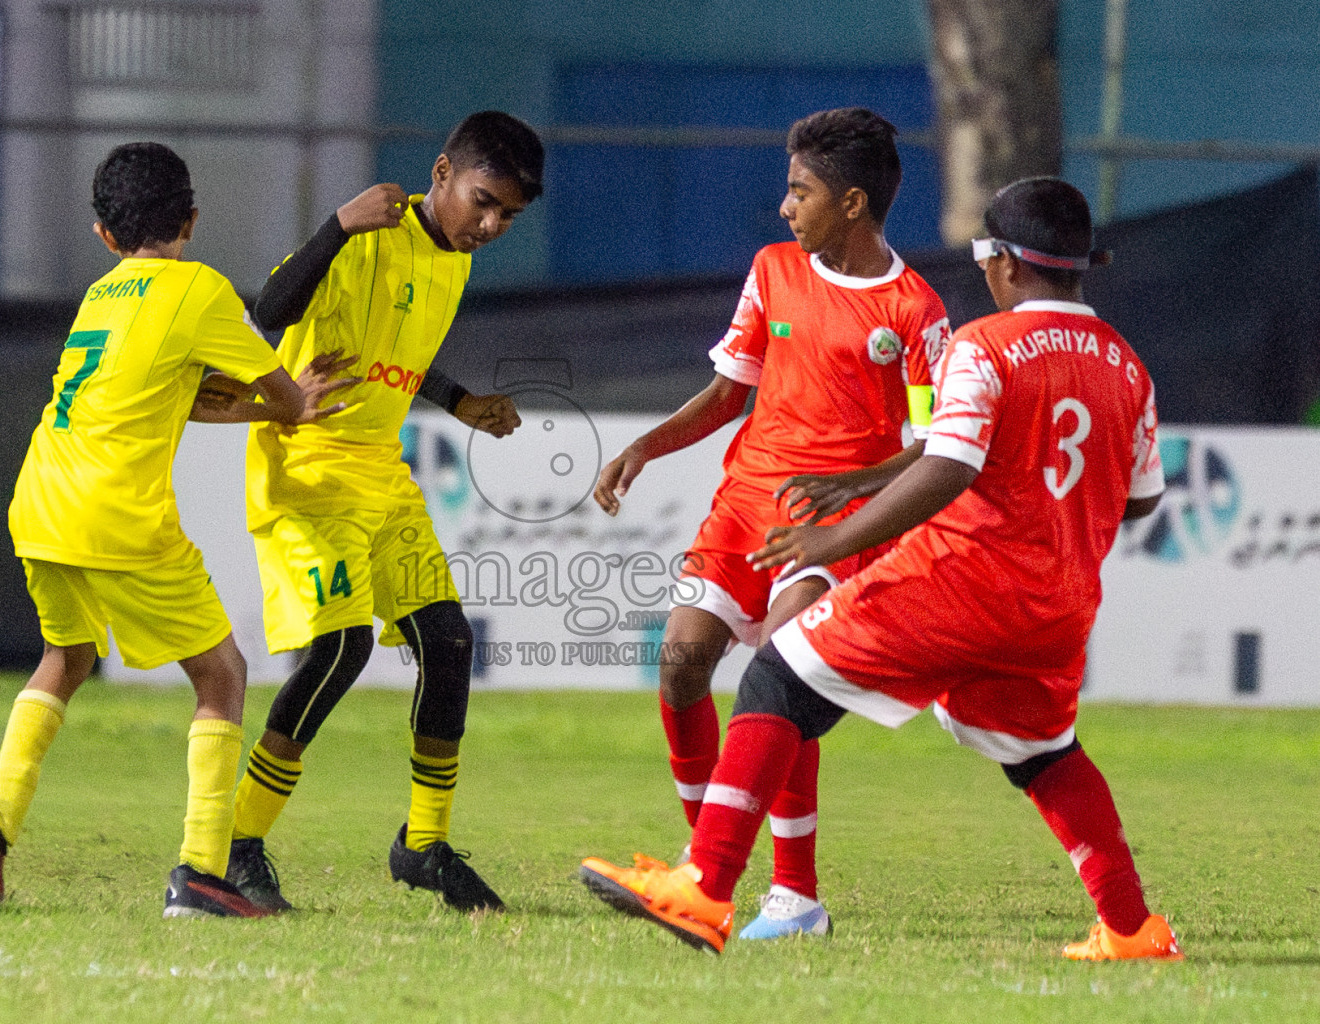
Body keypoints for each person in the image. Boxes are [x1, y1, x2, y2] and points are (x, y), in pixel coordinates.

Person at [579, 177, 1184, 962]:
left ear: (1003, 262)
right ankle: (1133, 928)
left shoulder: (984, 345)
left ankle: (708, 885)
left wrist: (828, 543)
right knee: (1045, 754)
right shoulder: (1126, 366)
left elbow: (945, 466)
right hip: (1057, 608)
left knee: (776, 676)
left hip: (957, 586)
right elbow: (1140, 503)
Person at [0, 142, 356, 919]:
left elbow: (192, 398)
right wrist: (293, 399)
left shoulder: (101, 296)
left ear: (104, 235)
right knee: (223, 675)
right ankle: (201, 872)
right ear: (192, 219)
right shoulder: (197, 290)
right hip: (119, 515)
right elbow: (281, 395)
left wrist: (272, 404)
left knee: (63, 660)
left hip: (39, 501)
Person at [591, 107, 949, 939]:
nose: (785, 207)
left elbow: (934, 445)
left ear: (852, 203)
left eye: (800, 191)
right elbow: (727, 394)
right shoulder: (772, 270)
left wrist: (851, 485)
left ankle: (793, 896)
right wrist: (643, 447)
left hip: (839, 522)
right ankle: (702, 854)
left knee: (782, 677)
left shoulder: (914, 313)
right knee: (681, 664)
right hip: (746, 502)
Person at [220, 111, 542, 915]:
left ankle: (423, 846)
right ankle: (237, 846)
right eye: (483, 202)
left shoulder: (453, 259)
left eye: (509, 214)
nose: (492, 224)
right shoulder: (369, 234)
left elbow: (397, 351)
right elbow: (271, 312)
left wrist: (458, 400)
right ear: (441, 173)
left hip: (381, 476)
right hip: (305, 470)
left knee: (449, 642)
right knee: (341, 650)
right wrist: (336, 225)